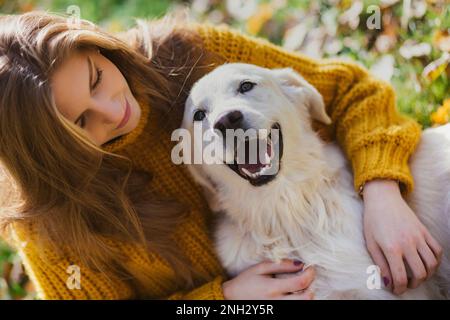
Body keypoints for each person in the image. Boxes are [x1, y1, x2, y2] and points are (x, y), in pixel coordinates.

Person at [0, 11, 442, 299]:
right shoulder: (50, 226)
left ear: (97, 46)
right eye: (80, 124)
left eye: (98, 78)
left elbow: (351, 91)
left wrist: (382, 190)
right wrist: (221, 302)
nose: (115, 111)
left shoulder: (187, 53)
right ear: (49, 154)